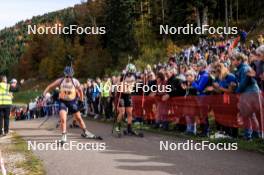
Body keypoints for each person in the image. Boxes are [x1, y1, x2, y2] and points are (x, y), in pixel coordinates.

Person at [43, 66, 101, 143]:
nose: (69, 78)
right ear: (65, 75)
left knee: (79, 118)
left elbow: (80, 91)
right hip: (62, 101)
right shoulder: (60, 81)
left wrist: (81, 100)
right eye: (67, 76)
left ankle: (86, 132)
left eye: (70, 76)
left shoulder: (75, 81)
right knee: (63, 119)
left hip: (72, 102)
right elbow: (49, 86)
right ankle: (64, 135)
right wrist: (44, 94)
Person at [231, 52, 263, 140]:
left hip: (250, 93)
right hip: (251, 93)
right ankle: (255, 135)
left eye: (233, 60)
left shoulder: (245, 68)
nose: (232, 62)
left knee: (247, 115)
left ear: (239, 60)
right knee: (251, 115)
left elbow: (243, 83)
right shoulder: (241, 68)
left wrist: (236, 92)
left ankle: (248, 136)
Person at [115, 64, 137, 135]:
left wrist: (126, 85)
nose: (131, 74)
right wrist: (121, 82)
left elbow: (131, 87)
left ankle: (129, 129)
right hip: (121, 95)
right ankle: (117, 128)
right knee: (122, 112)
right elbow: (117, 86)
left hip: (128, 95)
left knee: (129, 112)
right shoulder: (122, 76)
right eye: (130, 72)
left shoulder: (133, 77)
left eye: (132, 73)